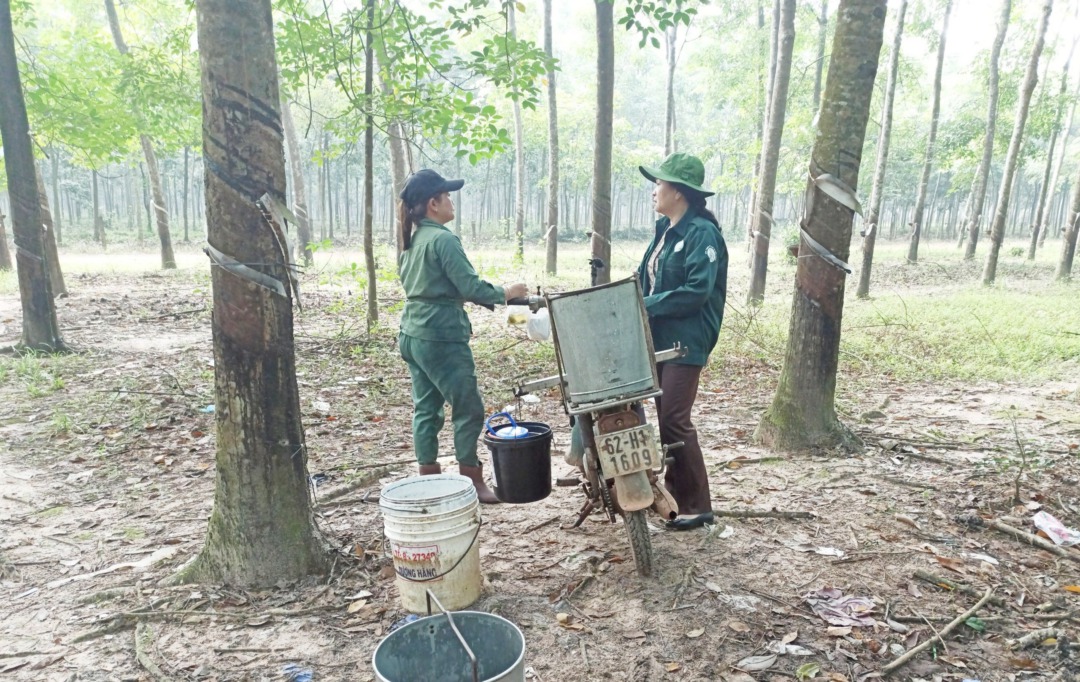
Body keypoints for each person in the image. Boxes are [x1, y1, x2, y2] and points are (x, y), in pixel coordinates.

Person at [396, 169, 528, 503]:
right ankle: (472, 480)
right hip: (441, 336)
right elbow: (468, 286)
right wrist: (507, 292)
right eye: (447, 196)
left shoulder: (411, 240)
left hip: (413, 332)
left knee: (426, 409)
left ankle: (428, 479)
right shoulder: (442, 239)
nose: (452, 202)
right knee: (468, 407)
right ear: (433, 203)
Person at [636, 152, 727, 530]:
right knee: (663, 417)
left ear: (679, 192)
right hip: (657, 337)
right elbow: (646, 280)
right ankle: (674, 497)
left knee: (675, 419)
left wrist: (645, 304)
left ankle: (696, 505)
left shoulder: (702, 234)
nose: (655, 190)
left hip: (687, 340)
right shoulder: (664, 230)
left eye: (660, 183)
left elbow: (696, 291)